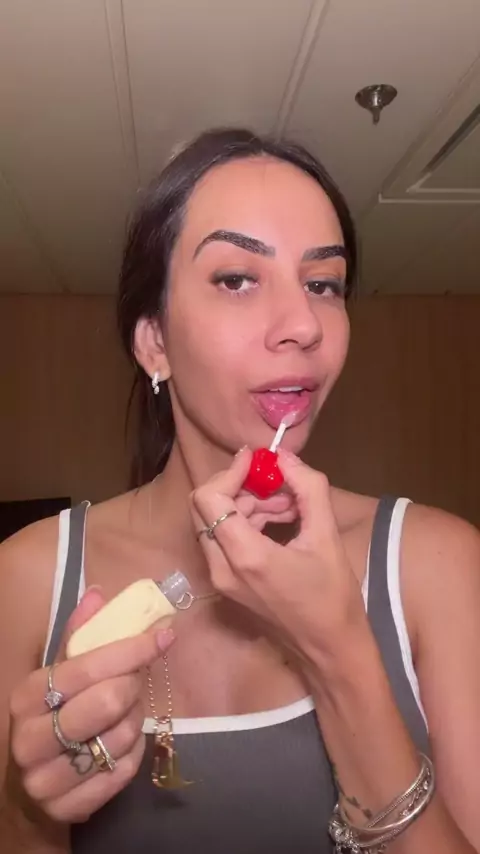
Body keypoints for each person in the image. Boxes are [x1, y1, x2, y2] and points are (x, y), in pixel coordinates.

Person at [1, 128, 479, 854]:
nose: (304, 326)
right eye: (236, 279)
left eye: (323, 284)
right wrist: (31, 809)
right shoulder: (25, 576)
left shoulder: (437, 563)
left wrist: (340, 655)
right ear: (154, 341)